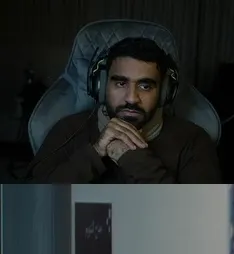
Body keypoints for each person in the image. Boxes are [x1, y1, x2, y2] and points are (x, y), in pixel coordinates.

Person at [28, 37, 221, 183]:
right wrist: (96, 153)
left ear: (164, 92)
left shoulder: (193, 140)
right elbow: (34, 201)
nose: (131, 98)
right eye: (120, 83)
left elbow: (198, 216)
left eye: (145, 86)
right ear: (101, 86)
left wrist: (131, 157)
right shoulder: (68, 129)